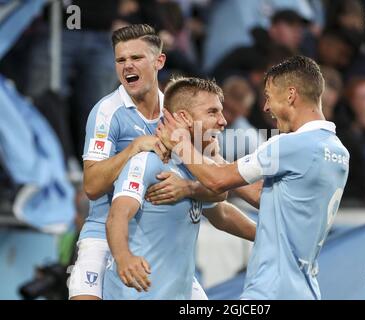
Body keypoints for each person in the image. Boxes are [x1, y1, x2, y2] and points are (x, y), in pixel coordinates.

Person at [157, 55, 349, 299]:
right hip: (305, 289)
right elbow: (266, 198)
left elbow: (217, 181)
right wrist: (217, 160)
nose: (266, 107)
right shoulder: (337, 150)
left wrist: (181, 143)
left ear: (290, 95)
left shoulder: (289, 145)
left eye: (269, 97)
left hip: (271, 289)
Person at [68, 24, 233, 300]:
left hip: (160, 243)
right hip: (105, 235)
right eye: (121, 60)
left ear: (159, 61)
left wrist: (187, 188)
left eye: (136, 58)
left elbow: (218, 186)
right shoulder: (107, 113)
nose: (127, 66)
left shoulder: (177, 113)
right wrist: (133, 148)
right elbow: (92, 186)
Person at [103, 77, 256, 299]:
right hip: (138, 293)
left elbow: (221, 213)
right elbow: (118, 215)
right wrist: (124, 257)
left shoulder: (195, 167)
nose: (223, 121)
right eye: (212, 112)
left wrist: (265, 236)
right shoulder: (150, 161)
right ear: (184, 117)